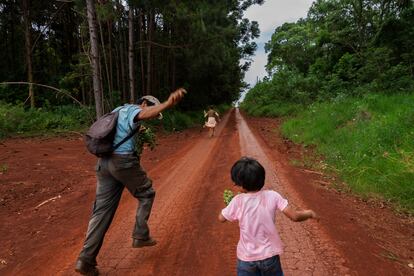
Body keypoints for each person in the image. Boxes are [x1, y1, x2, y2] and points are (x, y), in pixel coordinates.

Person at [75, 88, 186, 276]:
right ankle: (140, 235)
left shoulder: (119, 110)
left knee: (101, 212)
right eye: (153, 109)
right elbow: (143, 113)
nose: (152, 115)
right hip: (122, 162)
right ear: (144, 103)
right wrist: (166, 104)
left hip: (104, 164)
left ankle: (85, 260)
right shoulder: (135, 109)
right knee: (147, 193)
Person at [218, 157, 318, 276]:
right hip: (269, 256)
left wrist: (230, 206)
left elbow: (221, 218)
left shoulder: (237, 201)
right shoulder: (273, 196)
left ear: (241, 185)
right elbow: (295, 216)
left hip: (246, 259)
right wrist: (309, 213)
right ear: (262, 179)